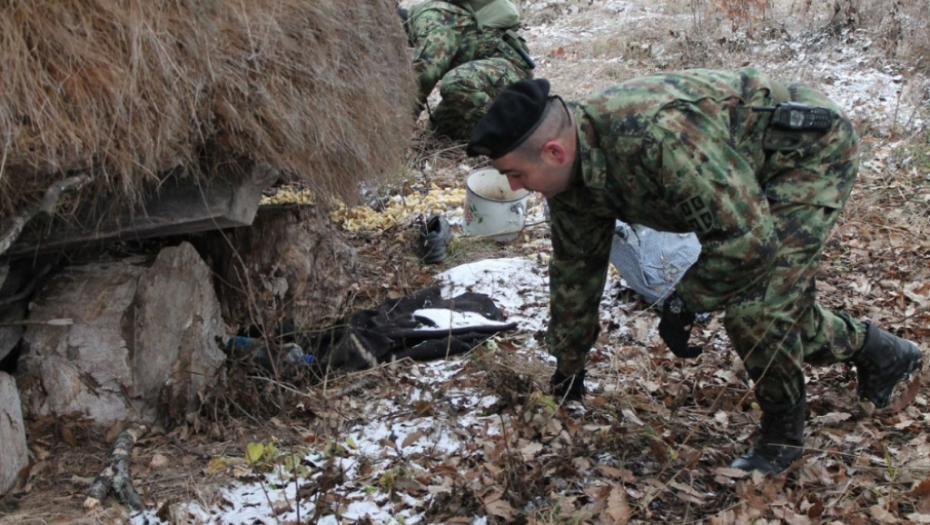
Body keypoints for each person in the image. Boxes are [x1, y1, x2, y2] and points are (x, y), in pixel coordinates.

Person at [464, 69, 923, 475]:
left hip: (803, 153)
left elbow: (747, 240)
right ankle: (882, 352)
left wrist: (687, 302)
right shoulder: (571, 179)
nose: (513, 187)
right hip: (735, 173)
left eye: (516, 174)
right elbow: (575, 271)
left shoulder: (655, 138)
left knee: (758, 309)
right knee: (781, 306)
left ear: (554, 151)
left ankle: (783, 433)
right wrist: (568, 366)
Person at [399, 0, 535, 142]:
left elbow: (427, 72)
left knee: (456, 82)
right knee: (437, 135)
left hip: (509, 69)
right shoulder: (431, 15)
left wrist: (399, 127)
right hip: (485, 77)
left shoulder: (430, 16)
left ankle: (515, 139)